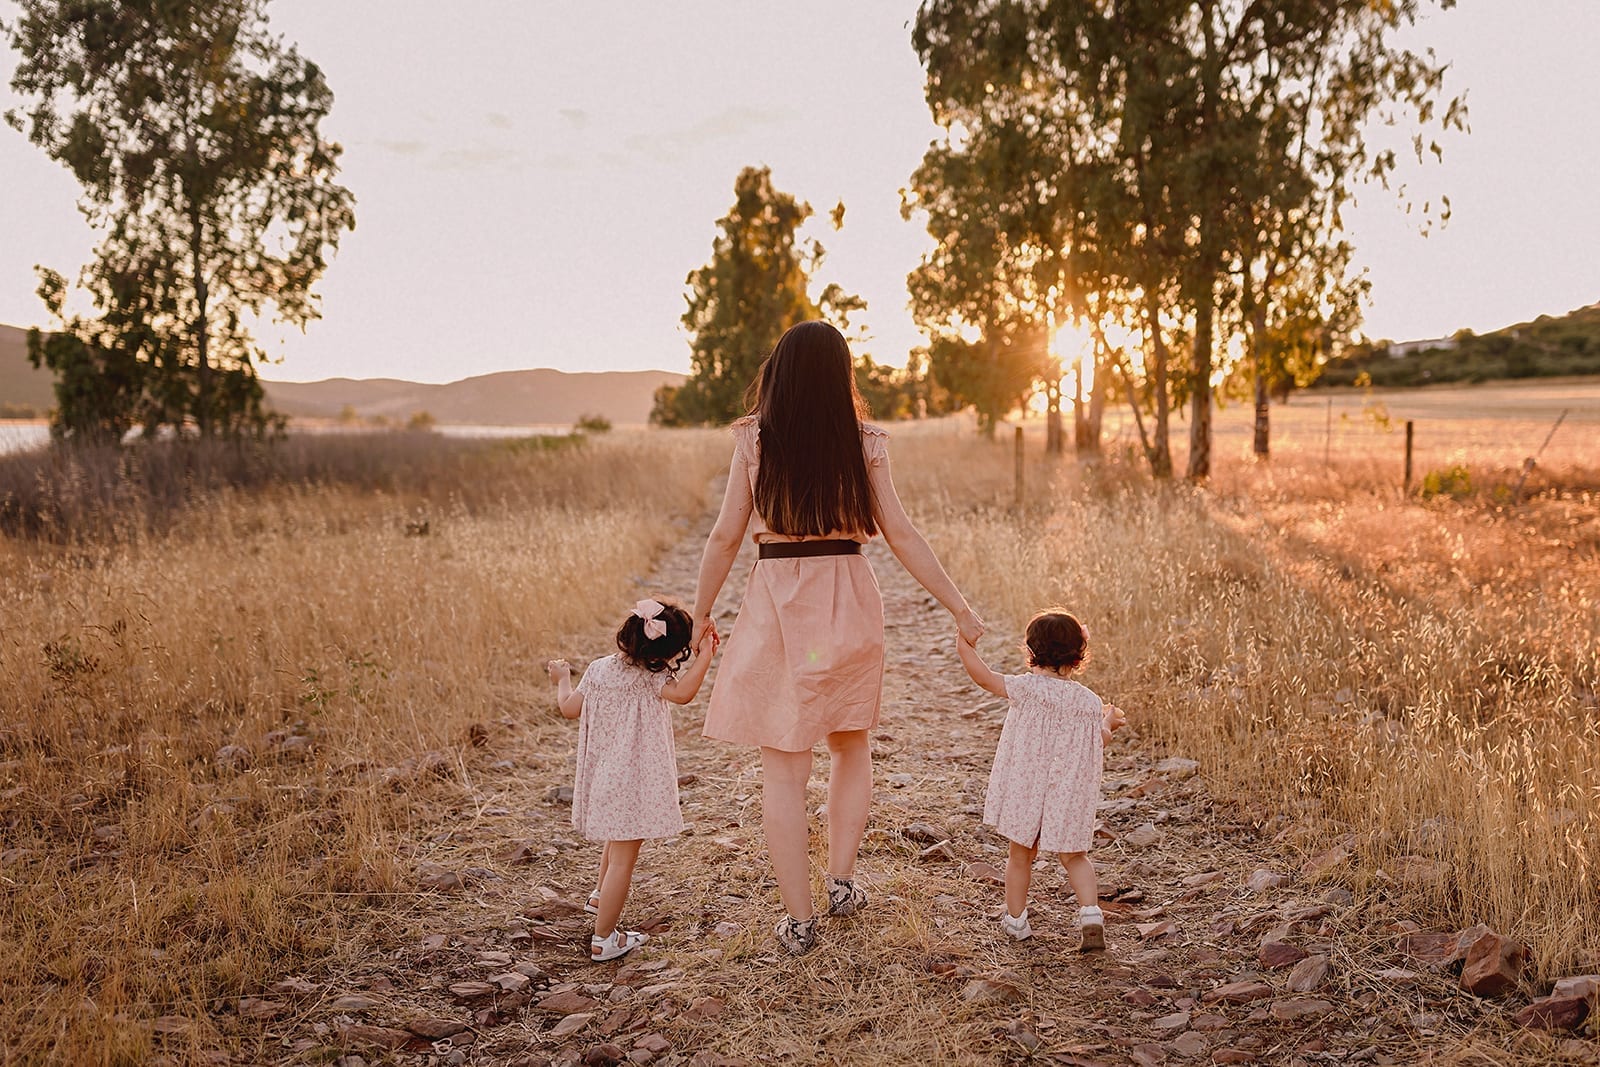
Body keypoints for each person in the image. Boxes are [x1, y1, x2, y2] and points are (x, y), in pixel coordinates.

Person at [692, 319, 985, 956]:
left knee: (784, 768)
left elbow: (724, 537)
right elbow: (902, 533)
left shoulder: (754, 441)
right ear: (841, 376)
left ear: (779, 373)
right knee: (850, 744)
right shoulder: (865, 441)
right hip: (848, 600)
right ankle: (842, 882)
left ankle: (799, 922)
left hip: (778, 604)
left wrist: (700, 615)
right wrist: (959, 607)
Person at [548, 598, 719, 961]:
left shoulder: (597, 670)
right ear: (664, 653)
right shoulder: (654, 679)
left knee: (616, 841)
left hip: (604, 777)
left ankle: (598, 896)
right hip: (633, 781)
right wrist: (705, 657)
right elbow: (685, 694)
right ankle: (604, 939)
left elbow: (568, 709)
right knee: (625, 859)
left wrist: (562, 680)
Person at [956, 609, 1126, 949]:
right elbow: (1098, 740)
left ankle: (1016, 921)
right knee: (1075, 856)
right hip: (1068, 790)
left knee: (1020, 854)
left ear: (1031, 654)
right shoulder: (1089, 701)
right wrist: (1109, 722)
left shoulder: (1027, 689)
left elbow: (984, 678)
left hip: (1027, 787)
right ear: (1079, 658)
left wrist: (964, 645)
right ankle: (1091, 912)